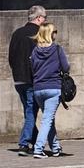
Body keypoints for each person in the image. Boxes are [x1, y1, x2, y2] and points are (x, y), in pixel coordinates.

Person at [8, 5, 58, 155]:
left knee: (29, 112)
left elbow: (11, 57)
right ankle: (23, 144)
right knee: (31, 113)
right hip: (32, 80)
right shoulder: (38, 33)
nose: (45, 20)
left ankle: (35, 142)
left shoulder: (17, 33)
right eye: (45, 18)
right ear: (38, 18)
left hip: (18, 80)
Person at [27, 20, 71, 158]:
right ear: (50, 34)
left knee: (48, 119)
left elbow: (32, 69)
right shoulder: (57, 49)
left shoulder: (35, 51)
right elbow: (66, 67)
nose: (56, 34)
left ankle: (56, 148)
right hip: (53, 88)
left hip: (38, 89)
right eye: (55, 31)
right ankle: (38, 149)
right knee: (47, 120)